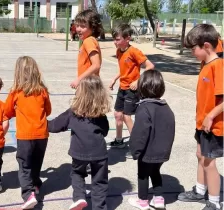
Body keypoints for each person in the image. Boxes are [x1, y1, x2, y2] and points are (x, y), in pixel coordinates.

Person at [178, 24, 223, 210]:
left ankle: (214, 202)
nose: (191, 53)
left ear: (206, 46)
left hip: (213, 124)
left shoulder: (218, 66)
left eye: (193, 49)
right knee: (200, 155)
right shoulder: (206, 63)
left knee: (208, 162)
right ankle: (199, 190)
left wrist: (211, 116)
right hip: (202, 123)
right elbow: (217, 41)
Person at [49, 75, 111, 210]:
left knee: (77, 173)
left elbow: (55, 125)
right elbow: (105, 131)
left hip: (79, 152)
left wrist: (41, 123)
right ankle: (99, 207)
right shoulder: (101, 115)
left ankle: (79, 197)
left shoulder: (73, 112)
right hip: (99, 152)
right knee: (99, 182)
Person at [4, 56, 51, 209]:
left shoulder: (16, 92)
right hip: (42, 134)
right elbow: (48, 111)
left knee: (24, 165)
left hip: (25, 135)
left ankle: (28, 193)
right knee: (37, 161)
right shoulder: (42, 90)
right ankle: (35, 184)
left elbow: (7, 111)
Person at [127, 70, 175, 210]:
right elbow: (170, 128)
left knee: (143, 174)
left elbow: (139, 133)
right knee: (155, 172)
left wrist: (135, 151)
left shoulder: (144, 108)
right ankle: (158, 199)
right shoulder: (166, 107)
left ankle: (142, 201)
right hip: (162, 151)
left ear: (142, 87)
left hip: (147, 152)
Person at [107, 23, 155, 159]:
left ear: (127, 38)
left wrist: (137, 81)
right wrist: (114, 79)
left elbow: (150, 66)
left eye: (117, 39)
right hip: (122, 87)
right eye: (114, 39)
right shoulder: (118, 52)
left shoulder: (134, 51)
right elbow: (123, 70)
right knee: (117, 114)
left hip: (132, 90)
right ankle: (119, 140)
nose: (114, 42)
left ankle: (136, 147)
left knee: (127, 116)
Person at [70, 9, 103, 89]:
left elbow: (96, 65)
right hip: (88, 83)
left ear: (93, 28)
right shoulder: (89, 40)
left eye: (83, 26)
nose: (78, 29)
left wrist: (79, 79)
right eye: (77, 26)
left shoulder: (89, 41)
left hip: (89, 85)